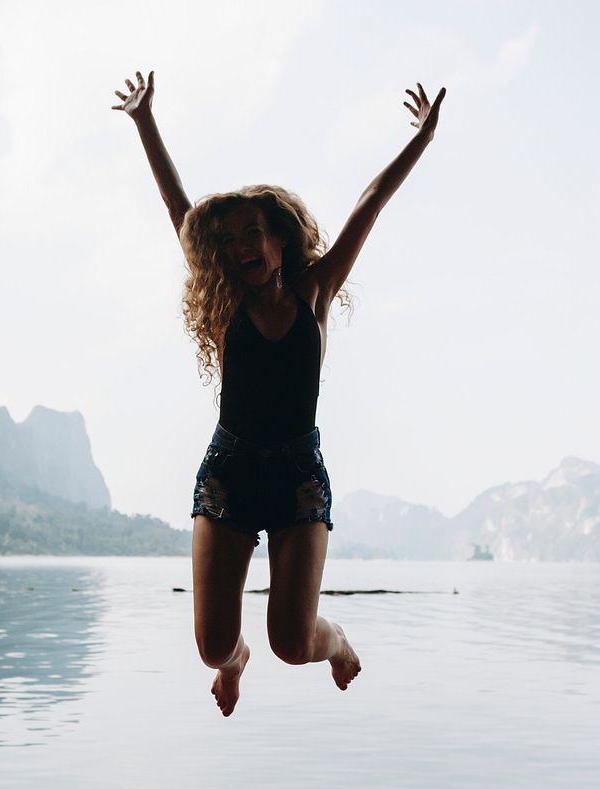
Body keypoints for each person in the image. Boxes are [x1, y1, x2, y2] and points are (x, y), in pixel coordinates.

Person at [112, 71, 445, 716]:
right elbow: (181, 215)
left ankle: (337, 638)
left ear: (280, 239)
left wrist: (422, 139)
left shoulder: (312, 292)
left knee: (293, 644)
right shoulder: (227, 305)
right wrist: (144, 121)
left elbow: (369, 204)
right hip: (230, 470)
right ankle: (234, 661)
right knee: (212, 647)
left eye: (252, 233)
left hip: (296, 473)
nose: (241, 246)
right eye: (230, 239)